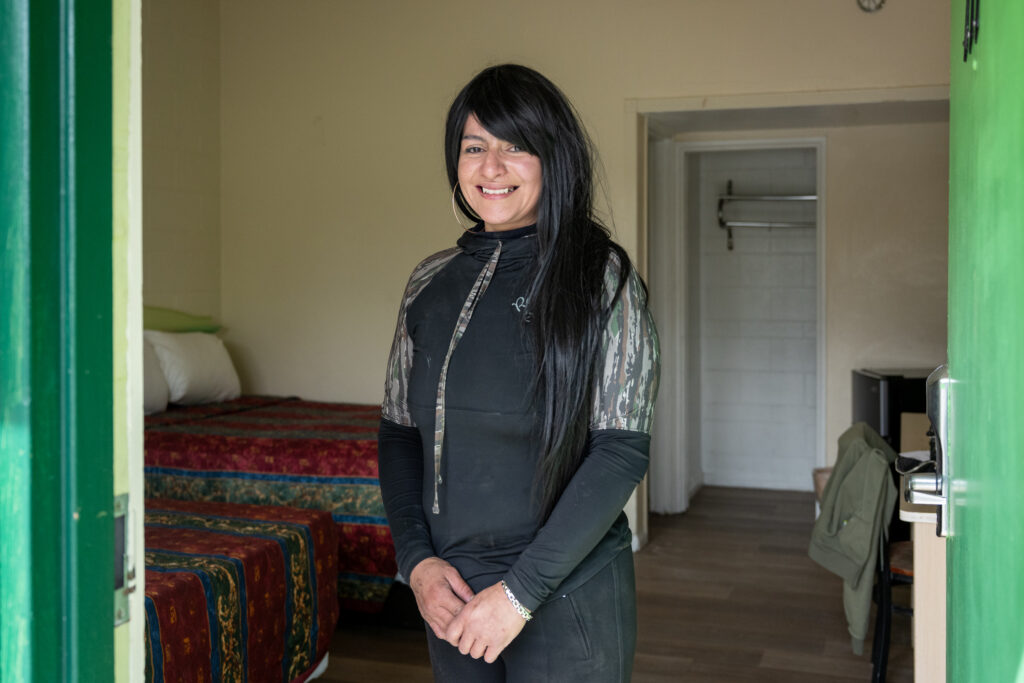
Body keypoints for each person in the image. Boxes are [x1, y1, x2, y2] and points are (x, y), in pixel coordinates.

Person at [377, 64, 660, 682]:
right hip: (450, 593)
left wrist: (518, 595)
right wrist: (418, 564)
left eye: (515, 146)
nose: (490, 167)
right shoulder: (428, 283)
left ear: (553, 158)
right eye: (474, 147)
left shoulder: (603, 281)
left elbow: (620, 451)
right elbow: (399, 432)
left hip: (566, 591)